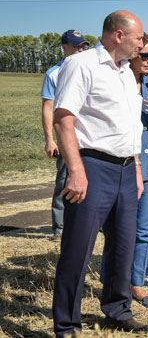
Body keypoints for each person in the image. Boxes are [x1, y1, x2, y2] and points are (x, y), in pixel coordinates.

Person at [52, 10, 148, 336]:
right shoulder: (81, 65)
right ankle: (67, 324)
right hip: (92, 167)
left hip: (126, 169)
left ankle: (117, 310)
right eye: (138, 38)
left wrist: (136, 167)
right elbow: (64, 118)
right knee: (78, 250)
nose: (142, 44)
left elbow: (130, 126)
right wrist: (77, 171)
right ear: (118, 35)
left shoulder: (126, 73)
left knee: (123, 246)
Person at [99, 33, 148, 308]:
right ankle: (110, 283)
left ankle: (136, 284)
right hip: (121, 165)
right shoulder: (118, 82)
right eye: (145, 55)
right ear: (133, 54)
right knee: (116, 230)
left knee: (143, 231)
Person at [41, 30, 89, 240]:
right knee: (64, 181)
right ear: (64, 47)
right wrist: (50, 139)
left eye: (83, 46)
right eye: (77, 46)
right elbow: (47, 108)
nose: (81, 49)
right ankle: (59, 228)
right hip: (66, 138)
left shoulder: (90, 68)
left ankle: (91, 223)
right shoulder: (54, 73)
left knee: (94, 180)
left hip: (89, 137)